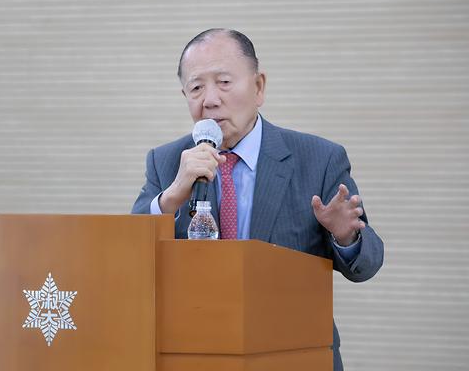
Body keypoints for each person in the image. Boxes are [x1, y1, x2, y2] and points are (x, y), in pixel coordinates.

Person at [131, 28, 384, 371]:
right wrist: (172, 196)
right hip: (196, 354)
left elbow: (366, 265)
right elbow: (129, 254)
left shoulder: (319, 159)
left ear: (259, 87)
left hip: (293, 353)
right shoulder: (166, 162)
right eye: (196, 88)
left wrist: (346, 236)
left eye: (223, 82)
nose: (210, 99)